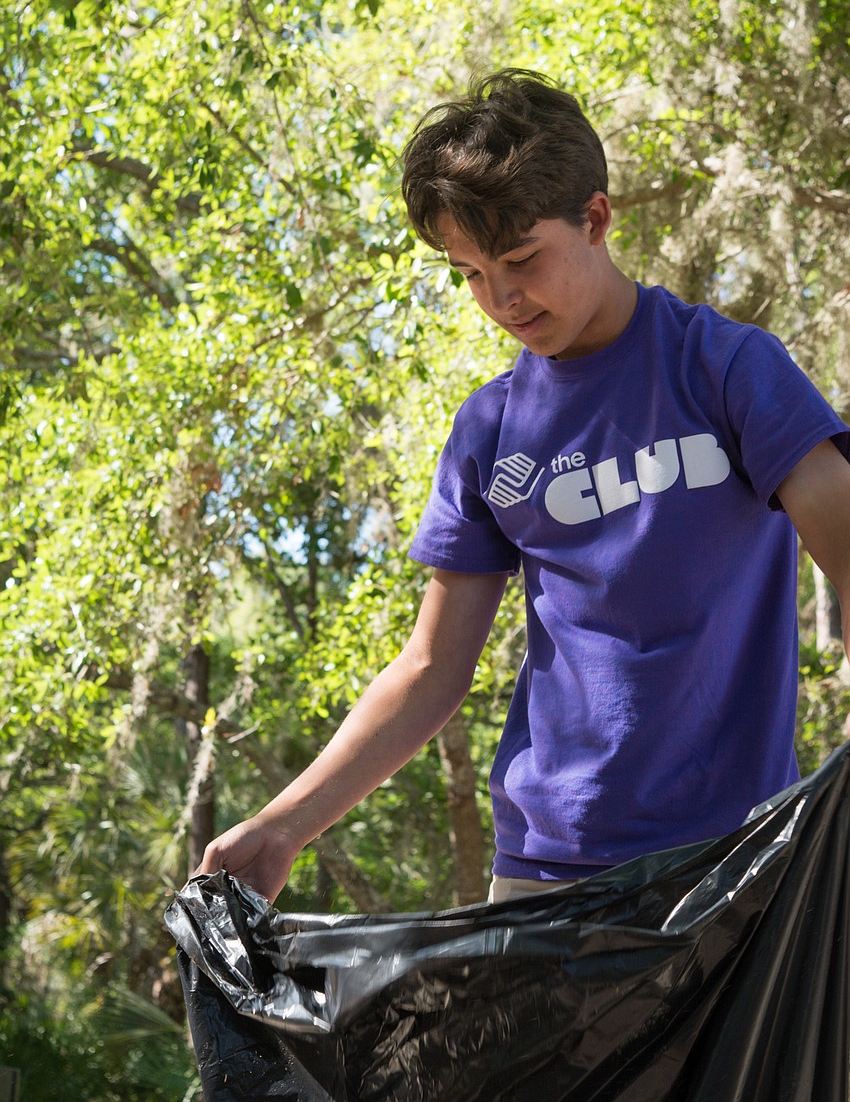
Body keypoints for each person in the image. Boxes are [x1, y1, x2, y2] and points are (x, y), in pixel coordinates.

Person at [198, 70, 850, 906]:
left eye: (519, 259)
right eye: (467, 273)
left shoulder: (724, 367)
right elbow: (433, 666)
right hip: (546, 877)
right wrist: (285, 822)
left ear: (596, 217)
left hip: (739, 866)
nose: (500, 299)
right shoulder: (491, 430)